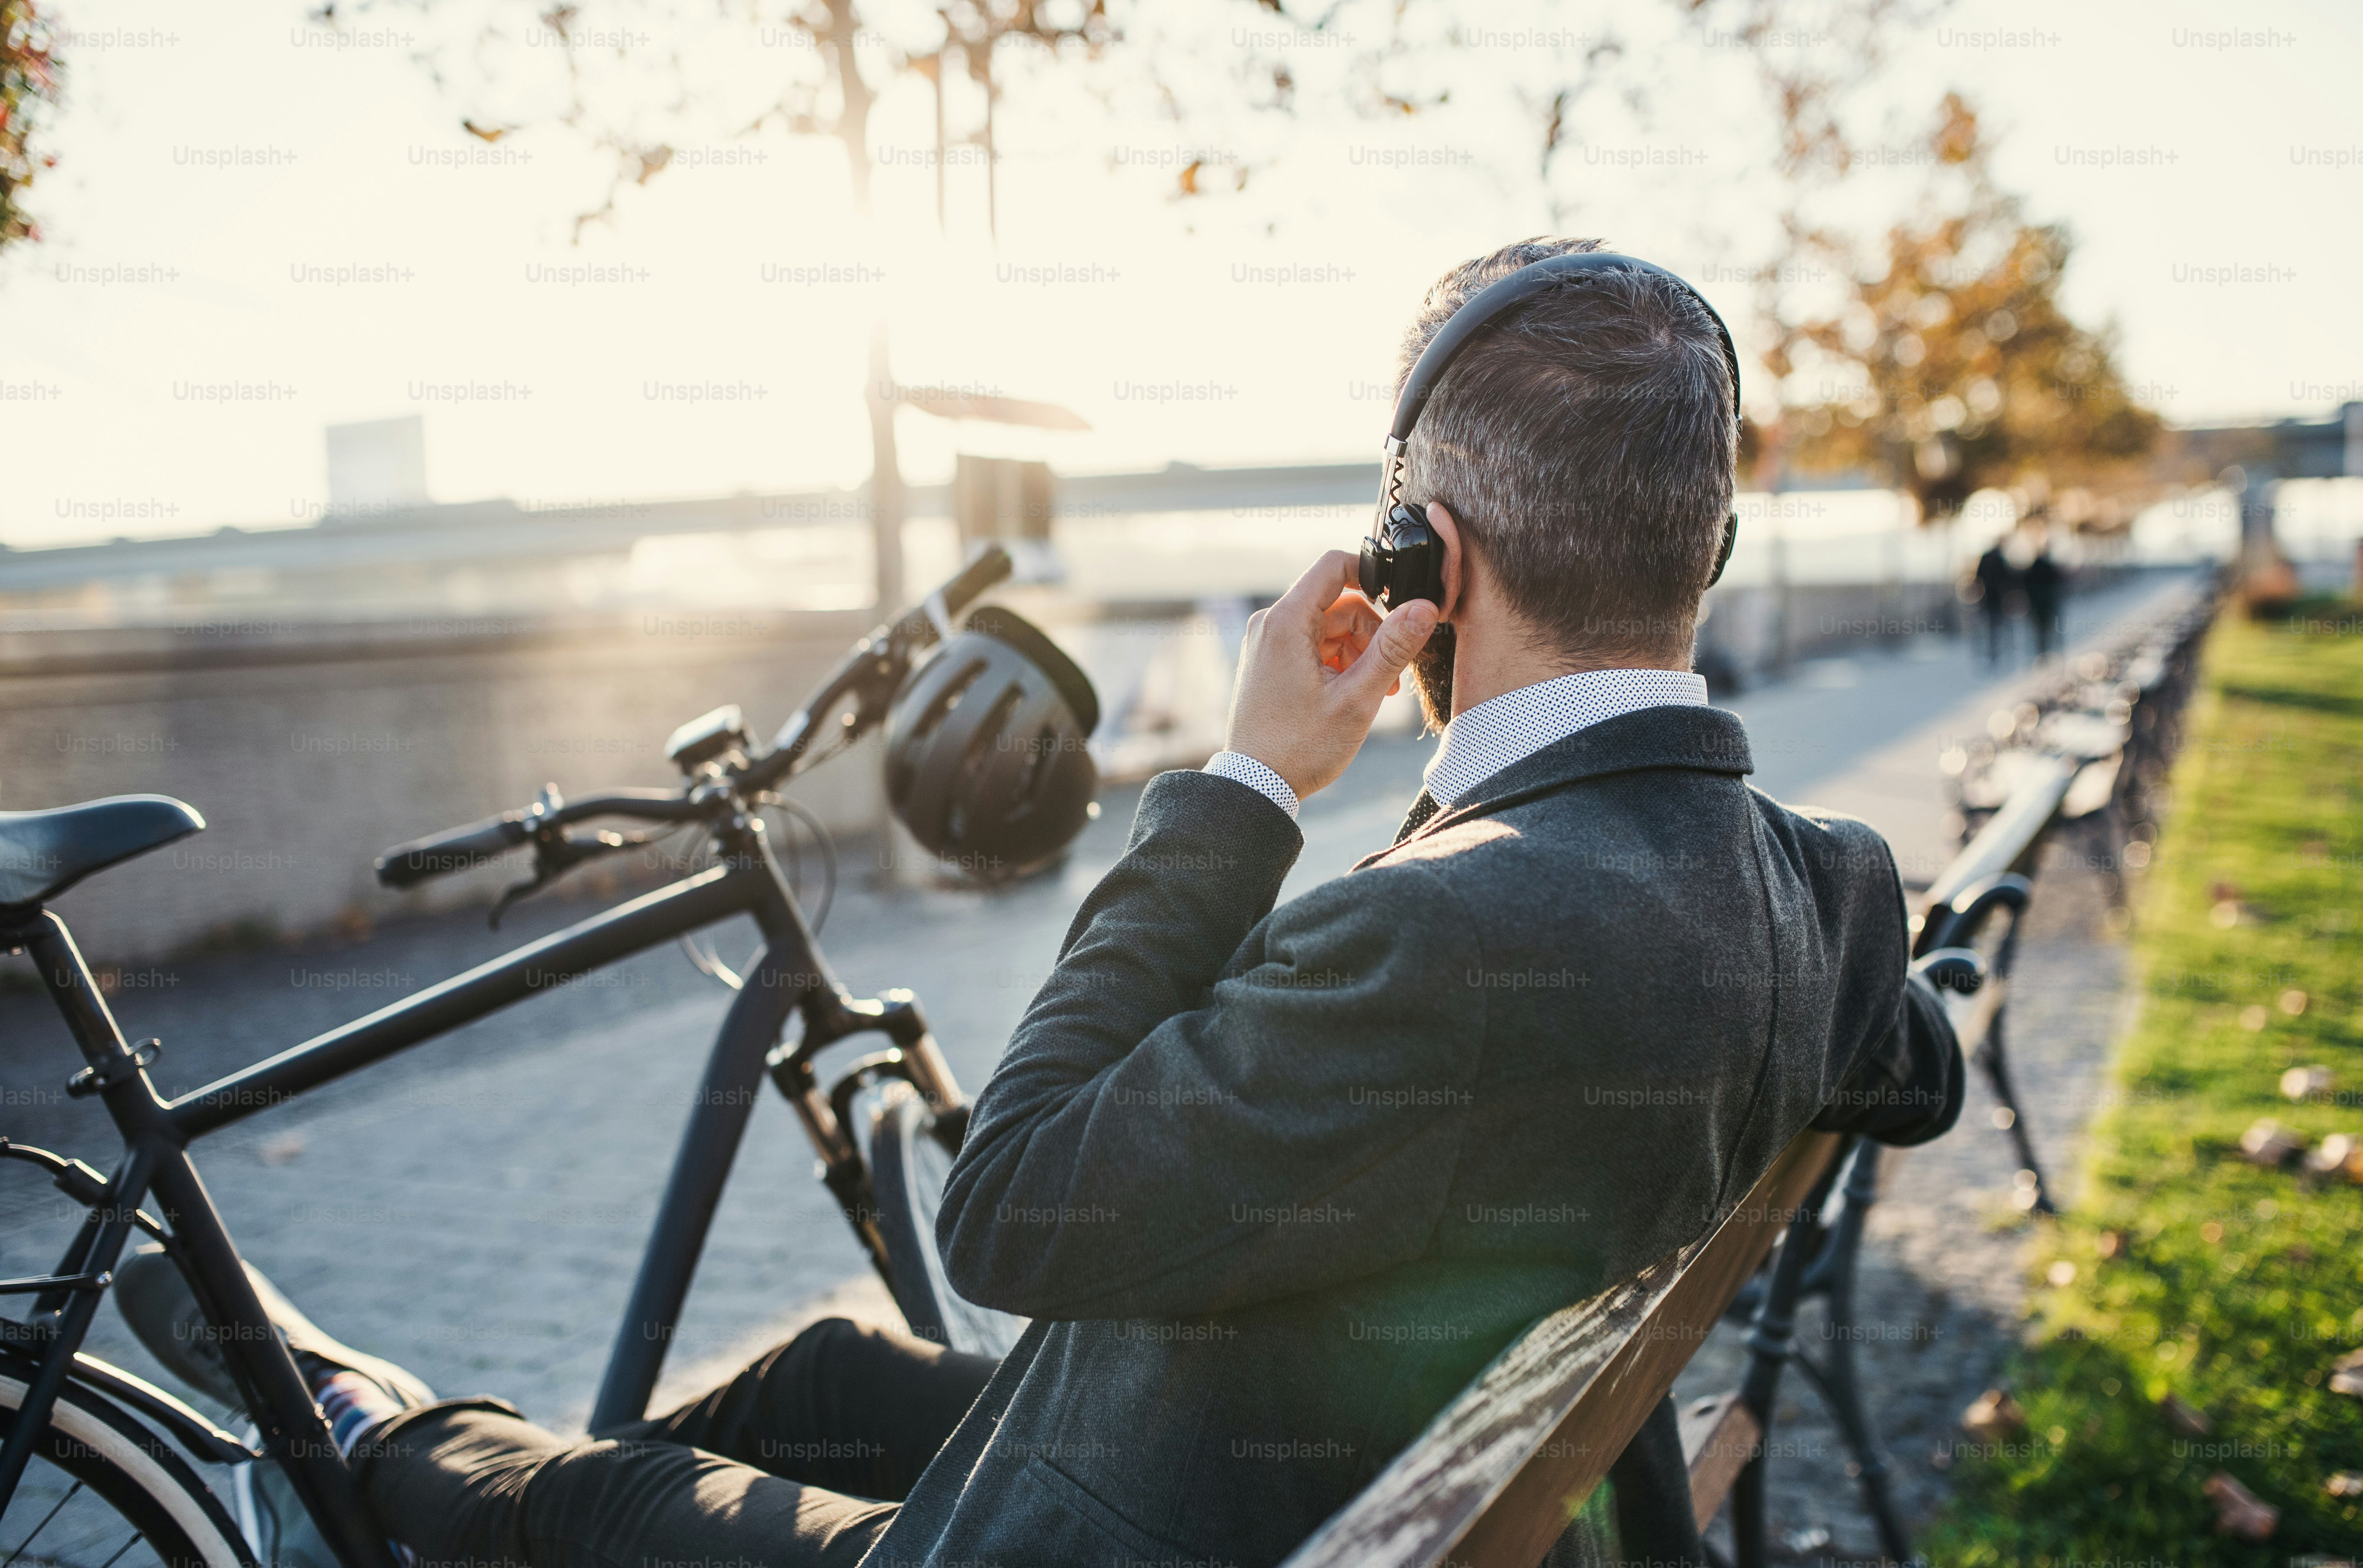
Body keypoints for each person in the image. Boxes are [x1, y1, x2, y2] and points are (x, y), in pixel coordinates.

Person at [123, 238, 1964, 1568]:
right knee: (820, 1362)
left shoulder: (1431, 932)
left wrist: (1244, 784)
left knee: (583, 1494)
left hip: (1186, 1509)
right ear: (1703, 546)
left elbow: (1004, 1202)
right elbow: (1915, 1065)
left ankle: (358, 1436)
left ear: (1428, 560)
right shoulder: (1826, 890)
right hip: (1298, 1449)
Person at [1973, 537, 2020, 666]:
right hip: (1997, 599)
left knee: (1993, 628)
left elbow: (1978, 578)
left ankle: (1996, 654)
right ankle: (2000, 654)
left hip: (1991, 599)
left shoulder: (1988, 558)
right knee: (1998, 628)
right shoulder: (2000, 559)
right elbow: (2008, 580)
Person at [2023, 539, 2066, 660]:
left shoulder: (2032, 568)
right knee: (2050, 628)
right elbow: (2058, 581)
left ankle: (2042, 652)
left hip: (2038, 604)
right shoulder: (2048, 567)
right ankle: (2051, 651)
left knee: (2040, 630)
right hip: (2047, 603)